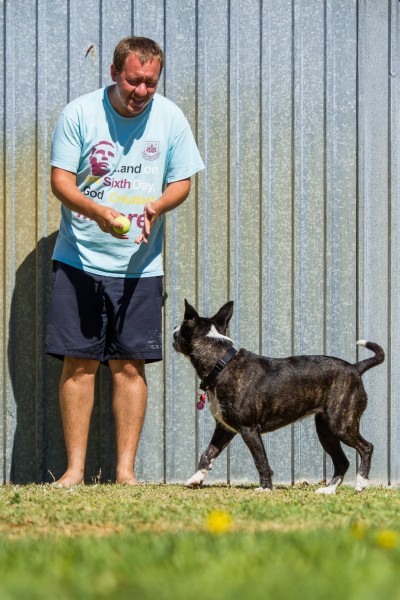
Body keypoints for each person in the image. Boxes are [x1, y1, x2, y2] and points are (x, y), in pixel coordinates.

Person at [45, 36, 205, 487]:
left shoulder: (170, 117)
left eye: (151, 83)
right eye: (134, 80)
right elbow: (61, 181)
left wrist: (155, 207)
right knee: (78, 363)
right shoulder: (80, 114)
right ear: (115, 73)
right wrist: (98, 213)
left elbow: (182, 182)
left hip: (140, 268)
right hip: (78, 259)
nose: (141, 91)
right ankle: (74, 472)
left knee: (130, 366)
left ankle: (125, 473)